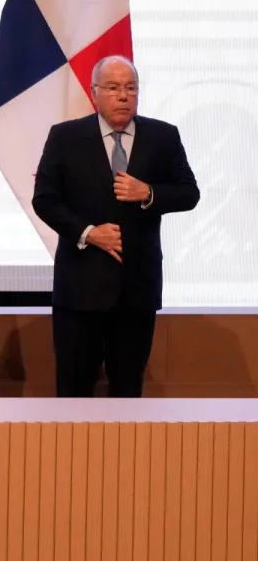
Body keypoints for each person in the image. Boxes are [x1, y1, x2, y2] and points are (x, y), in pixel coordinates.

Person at [33, 55, 199, 397]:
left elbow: (189, 193)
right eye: (113, 88)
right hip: (80, 288)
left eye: (130, 88)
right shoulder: (66, 136)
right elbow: (45, 200)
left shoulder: (163, 136)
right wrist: (88, 233)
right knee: (73, 390)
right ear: (95, 93)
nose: (123, 96)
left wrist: (148, 192)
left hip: (136, 288)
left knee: (127, 391)